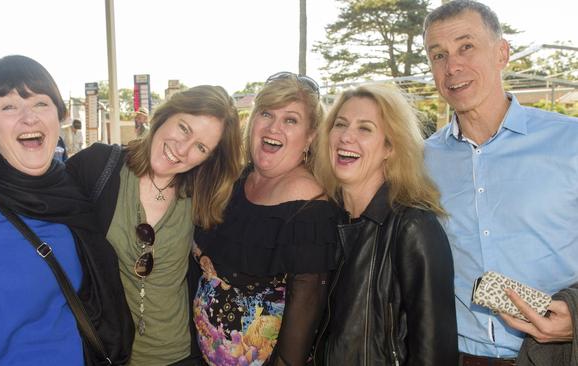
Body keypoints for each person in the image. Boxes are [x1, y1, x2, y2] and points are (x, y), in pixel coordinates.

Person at [0, 55, 133, 365]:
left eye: (41, 103)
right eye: (9, 107)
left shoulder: (78, 189)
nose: (29, 118)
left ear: (58, 117)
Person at [423, 1, 578, 364]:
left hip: (558, 355)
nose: (452, 66)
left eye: (467, 47)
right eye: (438, 55)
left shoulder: (571, 143)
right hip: (457, 356)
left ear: (502, 53)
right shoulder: (421, 161)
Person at [66, 84, 243, 365]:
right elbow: (38, 203)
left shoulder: (204, 197)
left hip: (179, 354)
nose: (182, 150)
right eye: (184, 128)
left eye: (201, 147)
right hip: (107, 353)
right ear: (165, 114)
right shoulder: (97, 167)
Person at [193, 72, 338, 366]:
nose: (274, 127)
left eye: (291, 120)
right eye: (267, 113)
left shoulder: (309, 206)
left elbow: (301, 327)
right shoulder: (238, 180)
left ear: (310, 136)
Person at [311, 83, 458, 365]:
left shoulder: (414, 226)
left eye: (365, 128)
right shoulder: (326, 219)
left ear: (390, 146)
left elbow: (435, 353)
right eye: (340, 124)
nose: (346, 137)